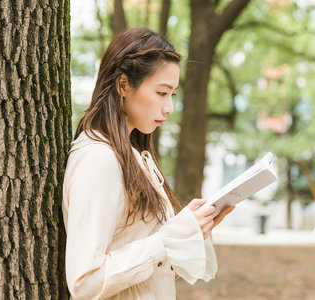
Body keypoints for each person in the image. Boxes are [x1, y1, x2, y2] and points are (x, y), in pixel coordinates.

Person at [62, 28, 234, 300]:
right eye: (162, 93)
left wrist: (188, 233)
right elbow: (85, 282)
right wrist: (167, 240)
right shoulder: (99, 158)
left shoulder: (134, 156)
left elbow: (149, 269)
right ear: (123, 85)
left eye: (172, 95)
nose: (169, 108)